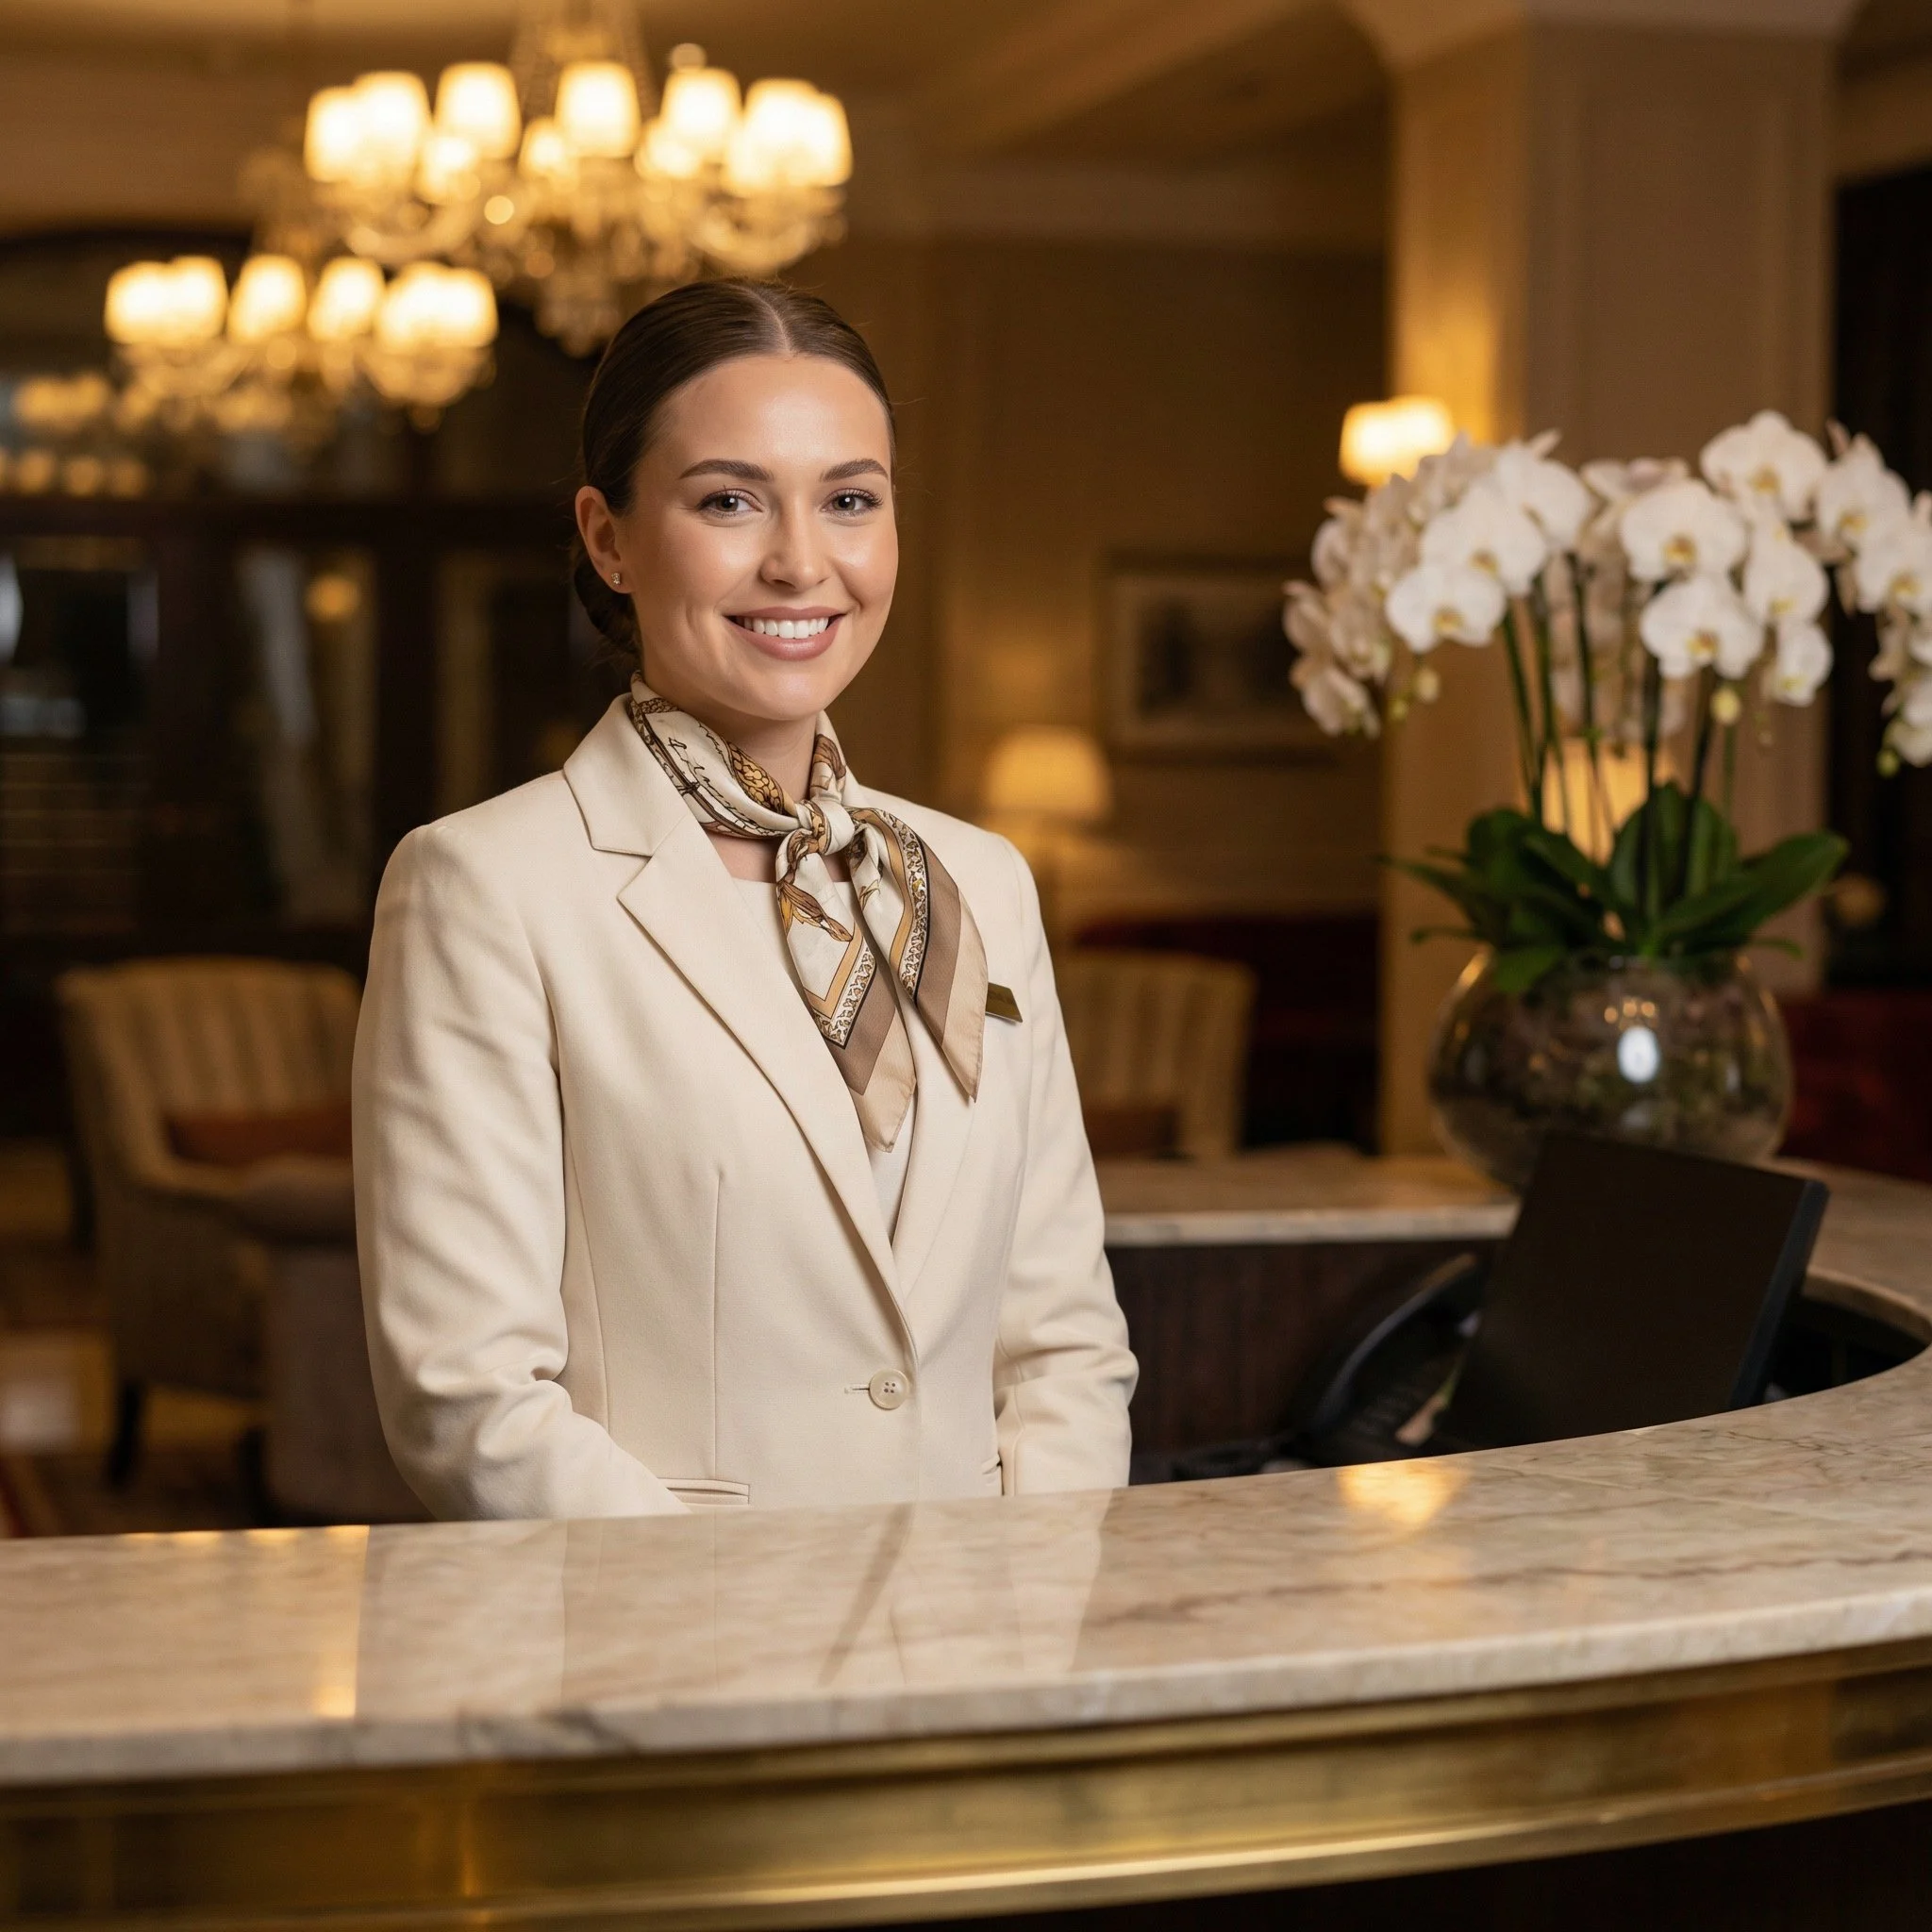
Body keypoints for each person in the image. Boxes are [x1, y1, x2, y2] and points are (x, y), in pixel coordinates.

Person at [354, 278, 1138, 1519]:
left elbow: (1062, 1340)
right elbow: (470, 1396)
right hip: (673, 1664)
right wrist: (736, 1637)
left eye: (849, 501)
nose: (800, 562)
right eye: (729, 500)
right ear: (609, 539)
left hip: (985, 1657)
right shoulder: (482, 888)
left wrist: (1029, 1599)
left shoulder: (981, 879)